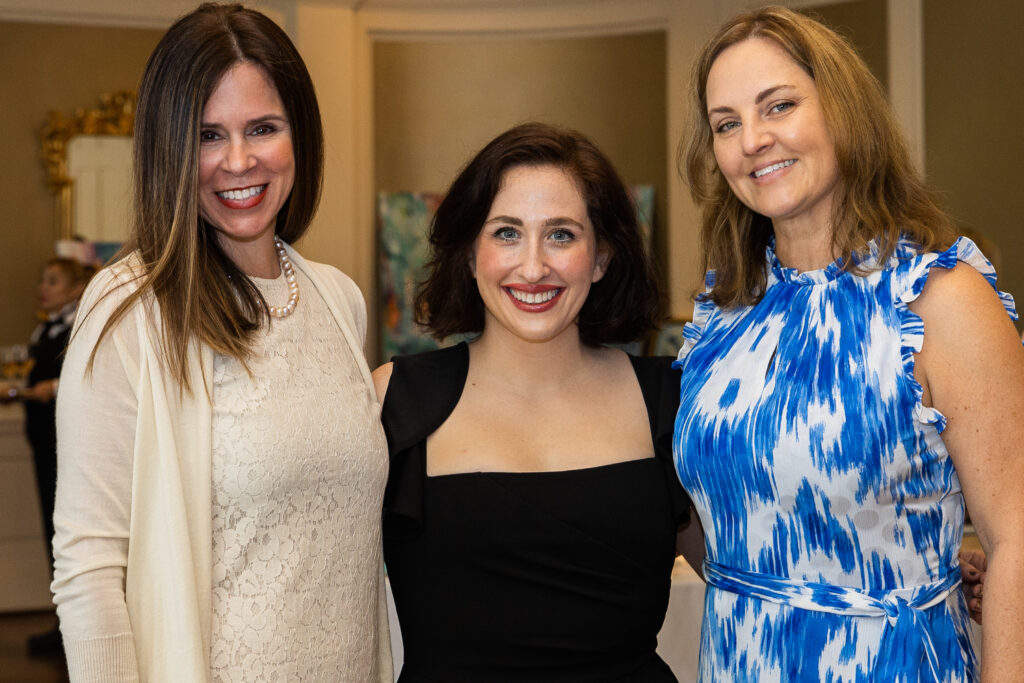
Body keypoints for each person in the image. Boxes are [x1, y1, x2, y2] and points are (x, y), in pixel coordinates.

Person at [673, 6, 1023, 681]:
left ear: (843, 111)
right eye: (727, 123)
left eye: (778, 106)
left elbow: (1016, 541)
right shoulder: (724, 311)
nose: (753, 139)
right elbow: (720, 512)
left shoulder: (939, 299)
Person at [51, 4, 391, 681]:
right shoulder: (129, 310)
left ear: (300, 135)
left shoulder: (338, 297)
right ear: (170, 149)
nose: (239, 160)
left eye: (263, 127)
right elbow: (89, 571)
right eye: (208, 135)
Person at [373, 122, 703, 681]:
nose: (533, 266)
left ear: (601, 258)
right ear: (470, 255)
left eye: (562, 235)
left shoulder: (671, 401)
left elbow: (746, 584)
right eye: (506, 233)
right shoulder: (394, 400)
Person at [0, 257, 89, 654]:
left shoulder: (78, 327)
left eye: (53, 281)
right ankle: (63, 620)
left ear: (73, 289)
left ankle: (78, 624)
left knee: (71, 532)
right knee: (53, 534)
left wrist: (51, 388)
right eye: (42, 279)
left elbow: (84, 374)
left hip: (67, 444)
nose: (43, 287)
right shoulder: (43, 328)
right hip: (41, 439)